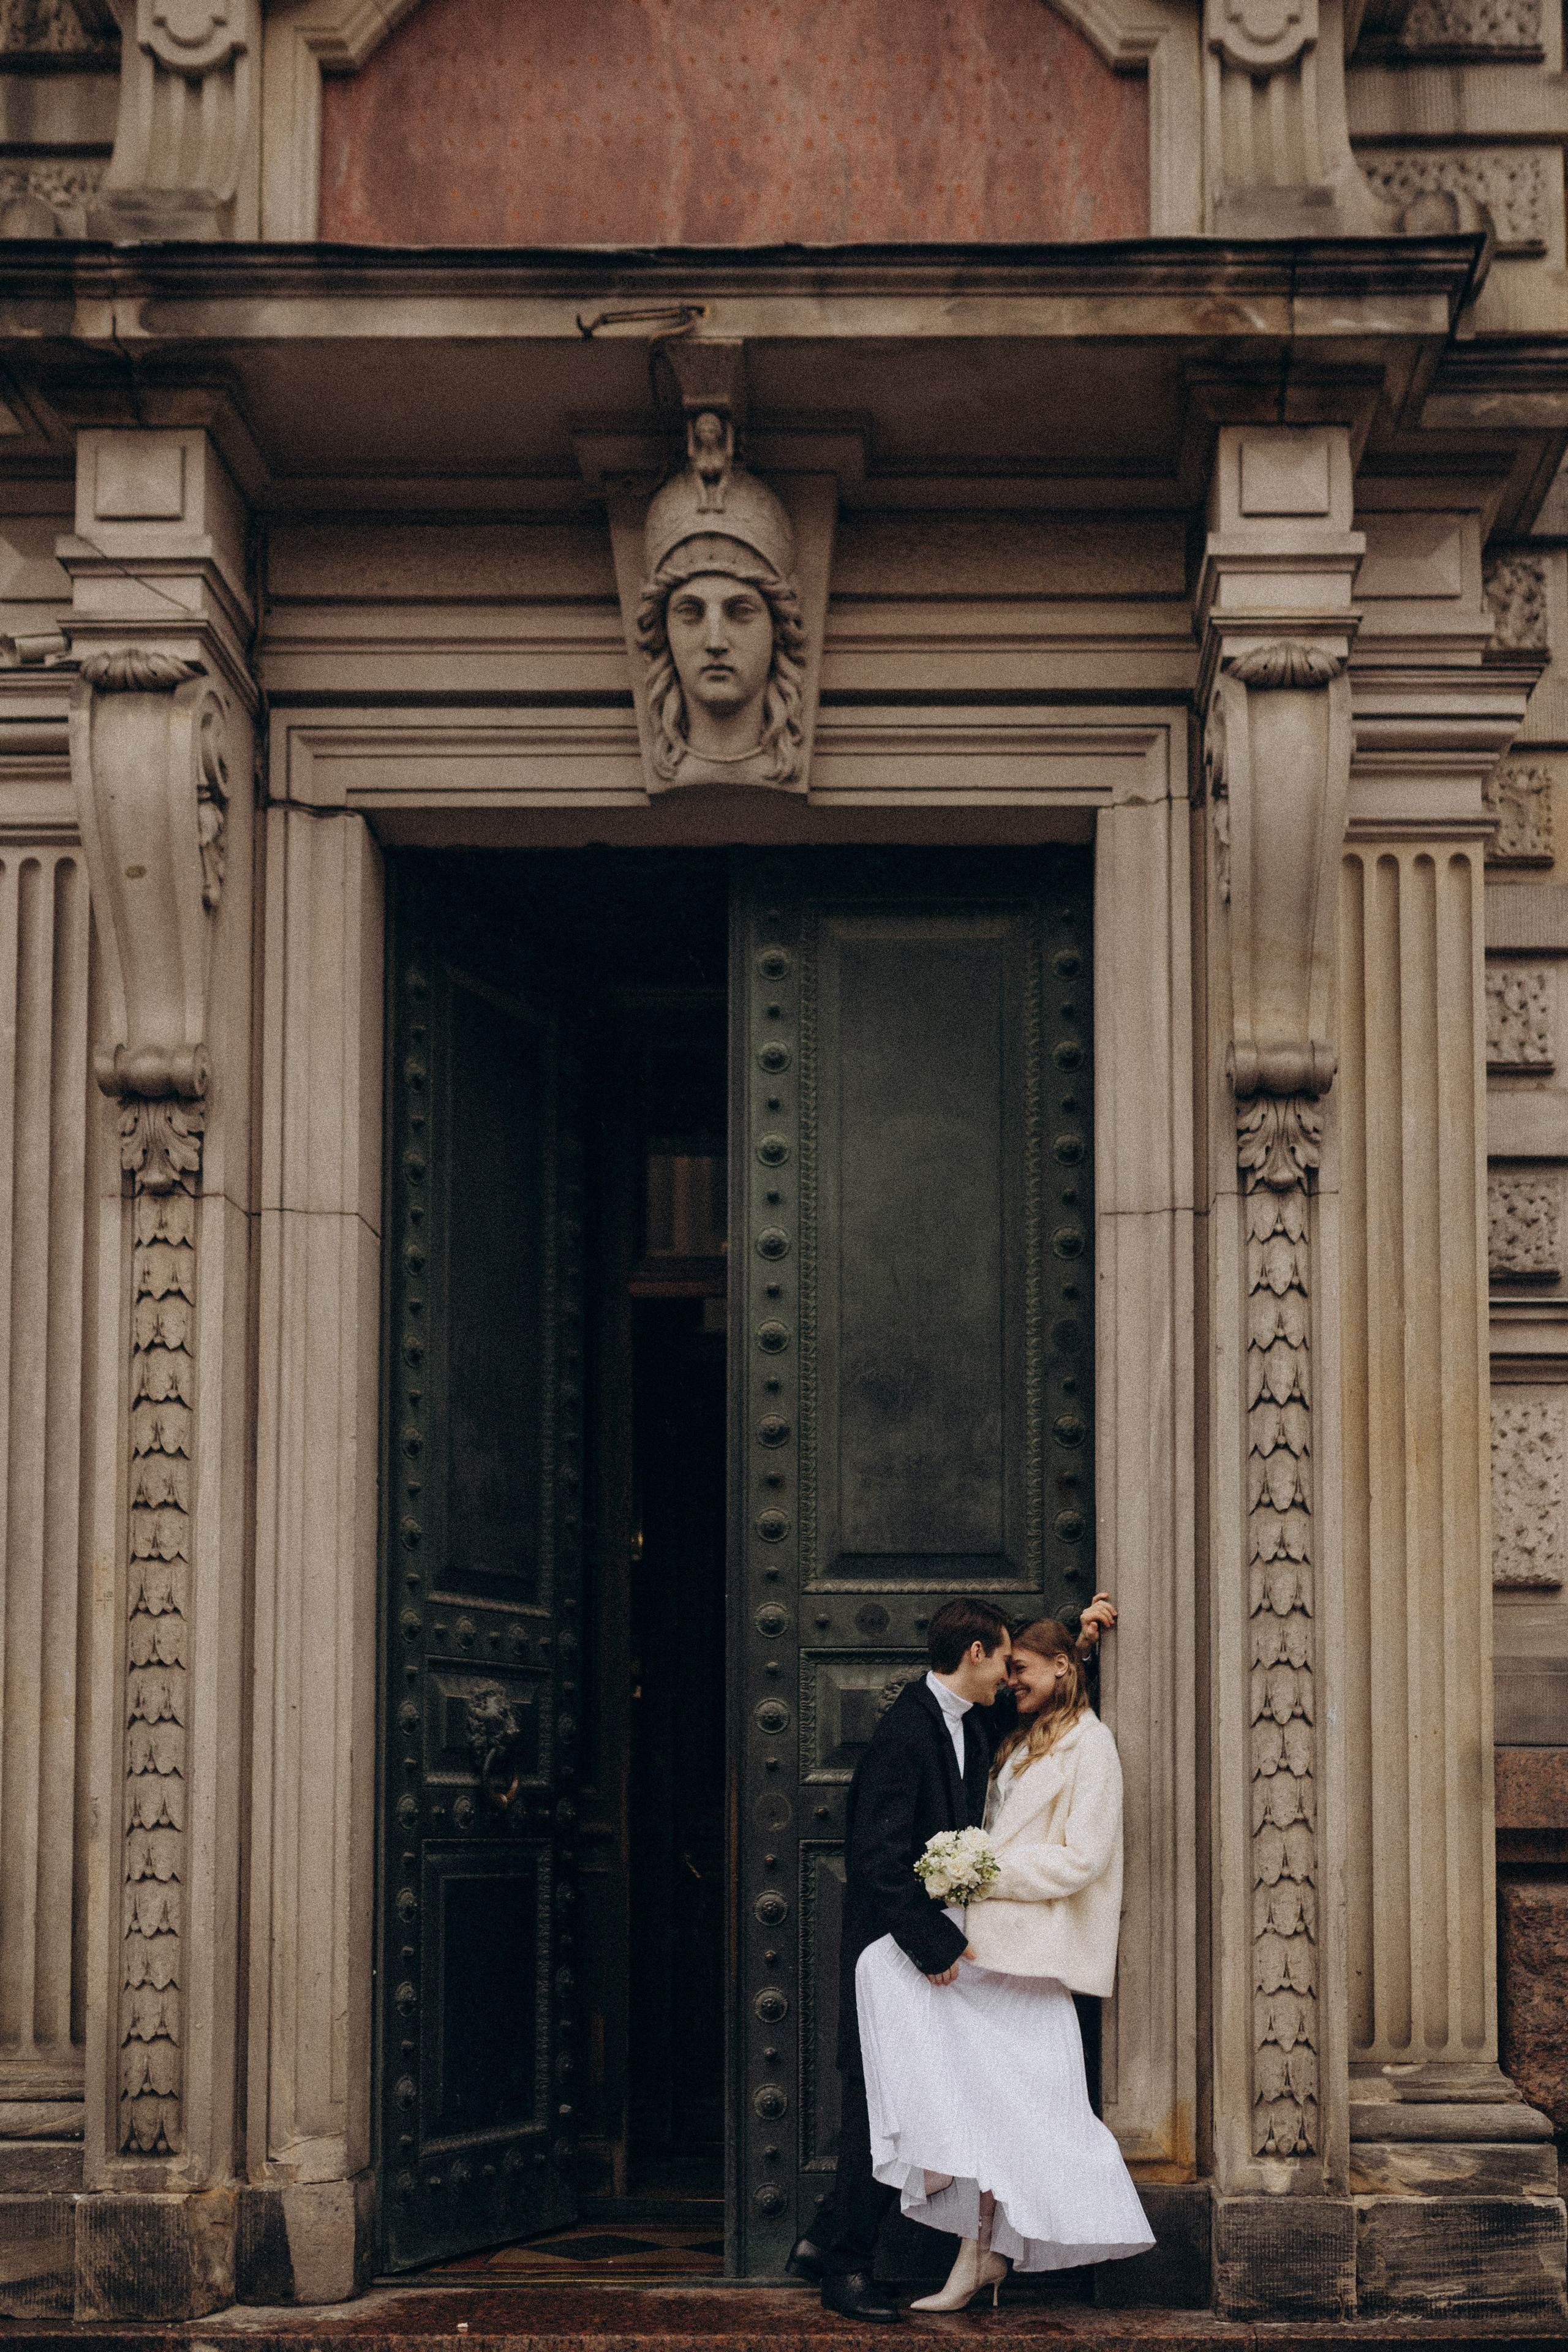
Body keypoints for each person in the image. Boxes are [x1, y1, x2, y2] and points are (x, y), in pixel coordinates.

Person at [787, 1593, 1117, 2323]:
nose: (1009, 1675)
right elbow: (874, 1858)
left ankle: (821, 2242)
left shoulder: (974, 1718)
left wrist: (1078, 1638)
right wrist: (931, 1944)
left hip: (943, 1951)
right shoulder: (908, 1730)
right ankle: (843, 2270)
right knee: (882, 2100)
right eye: (1002, 1659)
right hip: (896, 1950)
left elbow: (1041, 1673)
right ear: (975, 1655)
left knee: (911, 2095)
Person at [856, 1616, 1153, 2312]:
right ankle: (955, 2203)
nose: (1009, 1678)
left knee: (1026, 2112)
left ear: (1059, 1669)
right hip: (992, 1945)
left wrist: (981, 1867)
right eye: (1005, 1665)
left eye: (1024, 1668)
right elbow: (1017, 1661)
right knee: (884, 1970)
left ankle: (975, 2244)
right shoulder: (1013, 1737)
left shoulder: (1092, 1745)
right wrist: (1076, 1640)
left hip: (1033, 1953)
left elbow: (1084, 1858)